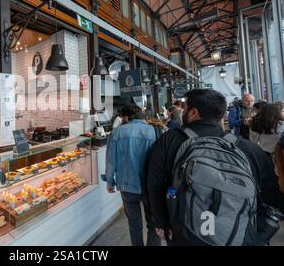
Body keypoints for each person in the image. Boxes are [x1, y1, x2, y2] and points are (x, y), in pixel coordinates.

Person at [147, 89, 278, 246]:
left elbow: (153, 183)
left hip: (184, 233)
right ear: (221, 115)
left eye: (186, 108)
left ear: (193, 112)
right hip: (238, 234)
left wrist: (161, 222)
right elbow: (271, 195)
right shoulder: (249, 149)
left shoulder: (168, 141)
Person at [105, 105, 161, 246]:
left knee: (134, 224)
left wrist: (110, 181)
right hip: (150, 186)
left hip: (126, 186)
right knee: (153, 224)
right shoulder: (154, 131)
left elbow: (111, 161)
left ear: (125, 117)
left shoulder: (116, 133)